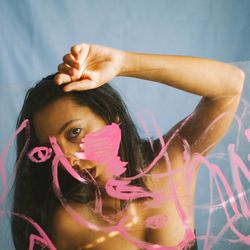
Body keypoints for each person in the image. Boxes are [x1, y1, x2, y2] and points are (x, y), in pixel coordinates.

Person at [11, 43, 245, 250]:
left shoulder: (173, 160)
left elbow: (230, 84)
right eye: (52, 150)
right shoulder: (69, 222)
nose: (68, 159)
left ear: (112, 117)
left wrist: (123, 63)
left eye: (74, 132)